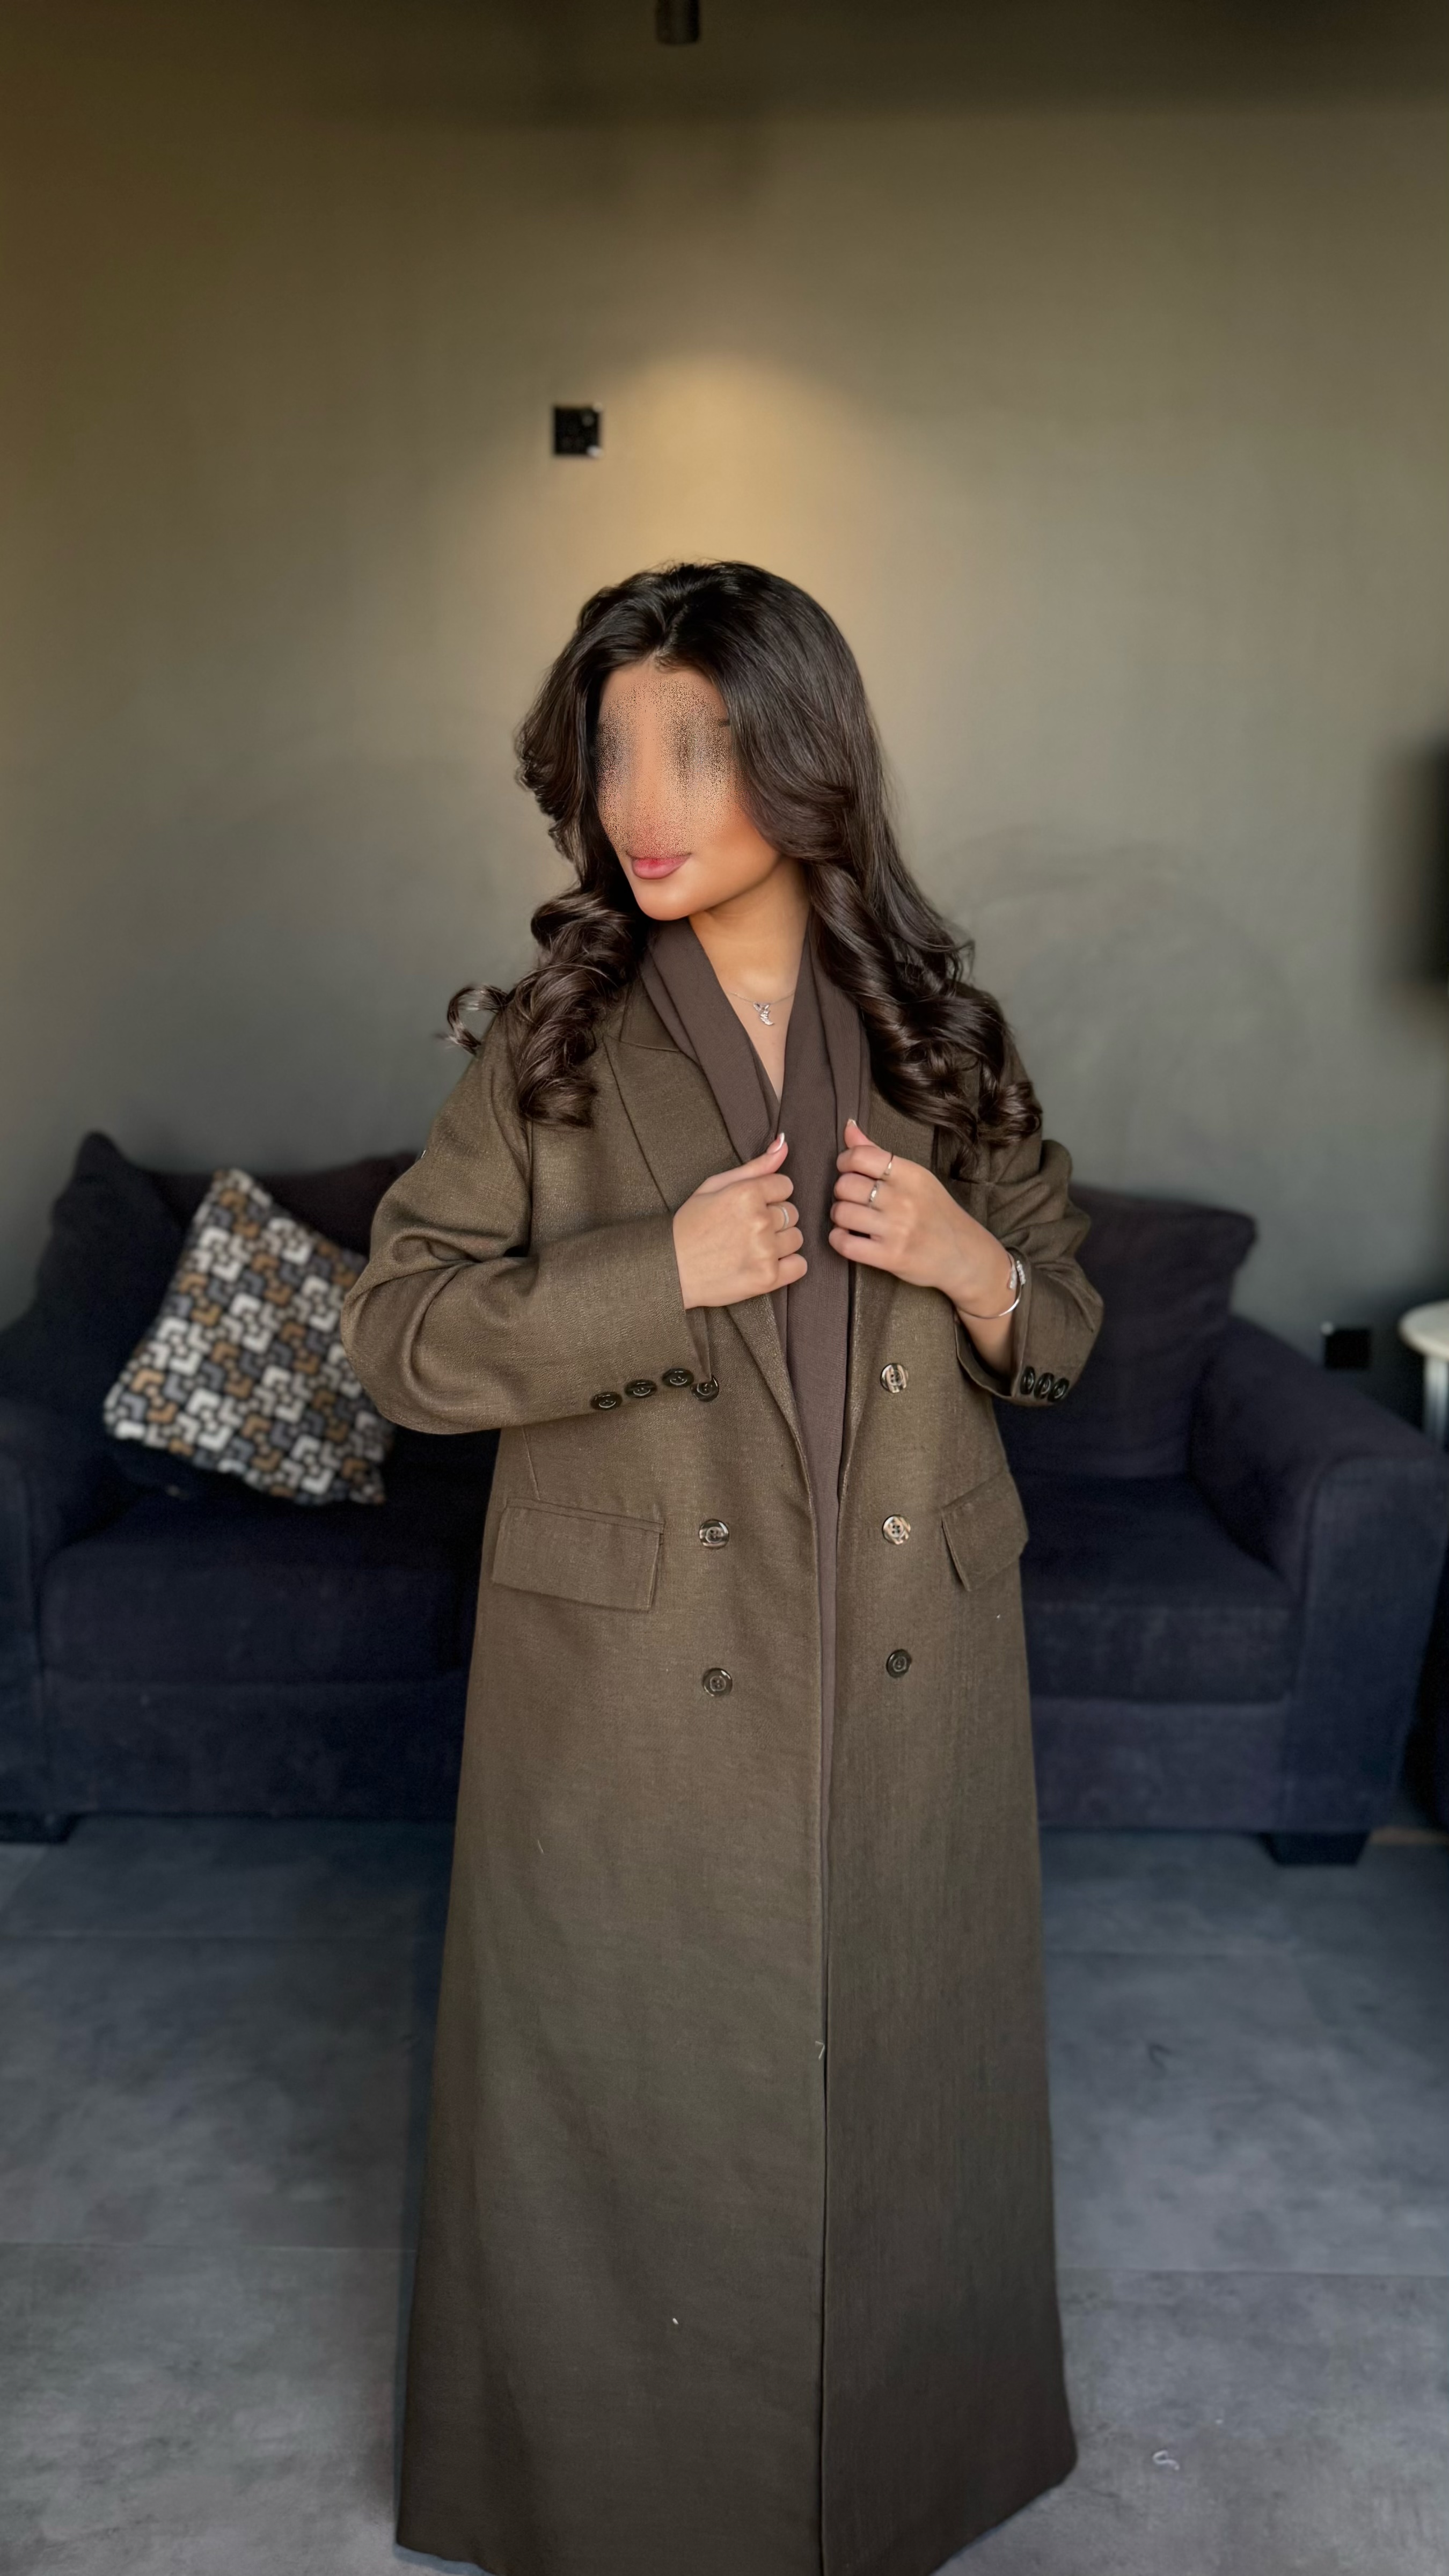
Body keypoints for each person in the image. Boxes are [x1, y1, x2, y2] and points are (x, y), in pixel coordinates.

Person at [340, 561, 1103, 2576]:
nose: (642, 803)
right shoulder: (550, 1045)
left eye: (694, 747)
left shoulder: (939, 1036)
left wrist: (970, 1260)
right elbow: (394, 1340)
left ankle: (911, 2472)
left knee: (905, 2080)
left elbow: (1064, 1329)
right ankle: (609, 2496)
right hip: (635, 1677)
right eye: (612, 752)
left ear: (803, 754)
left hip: (907, 1656)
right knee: (630, 2089)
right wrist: (647, 1271)